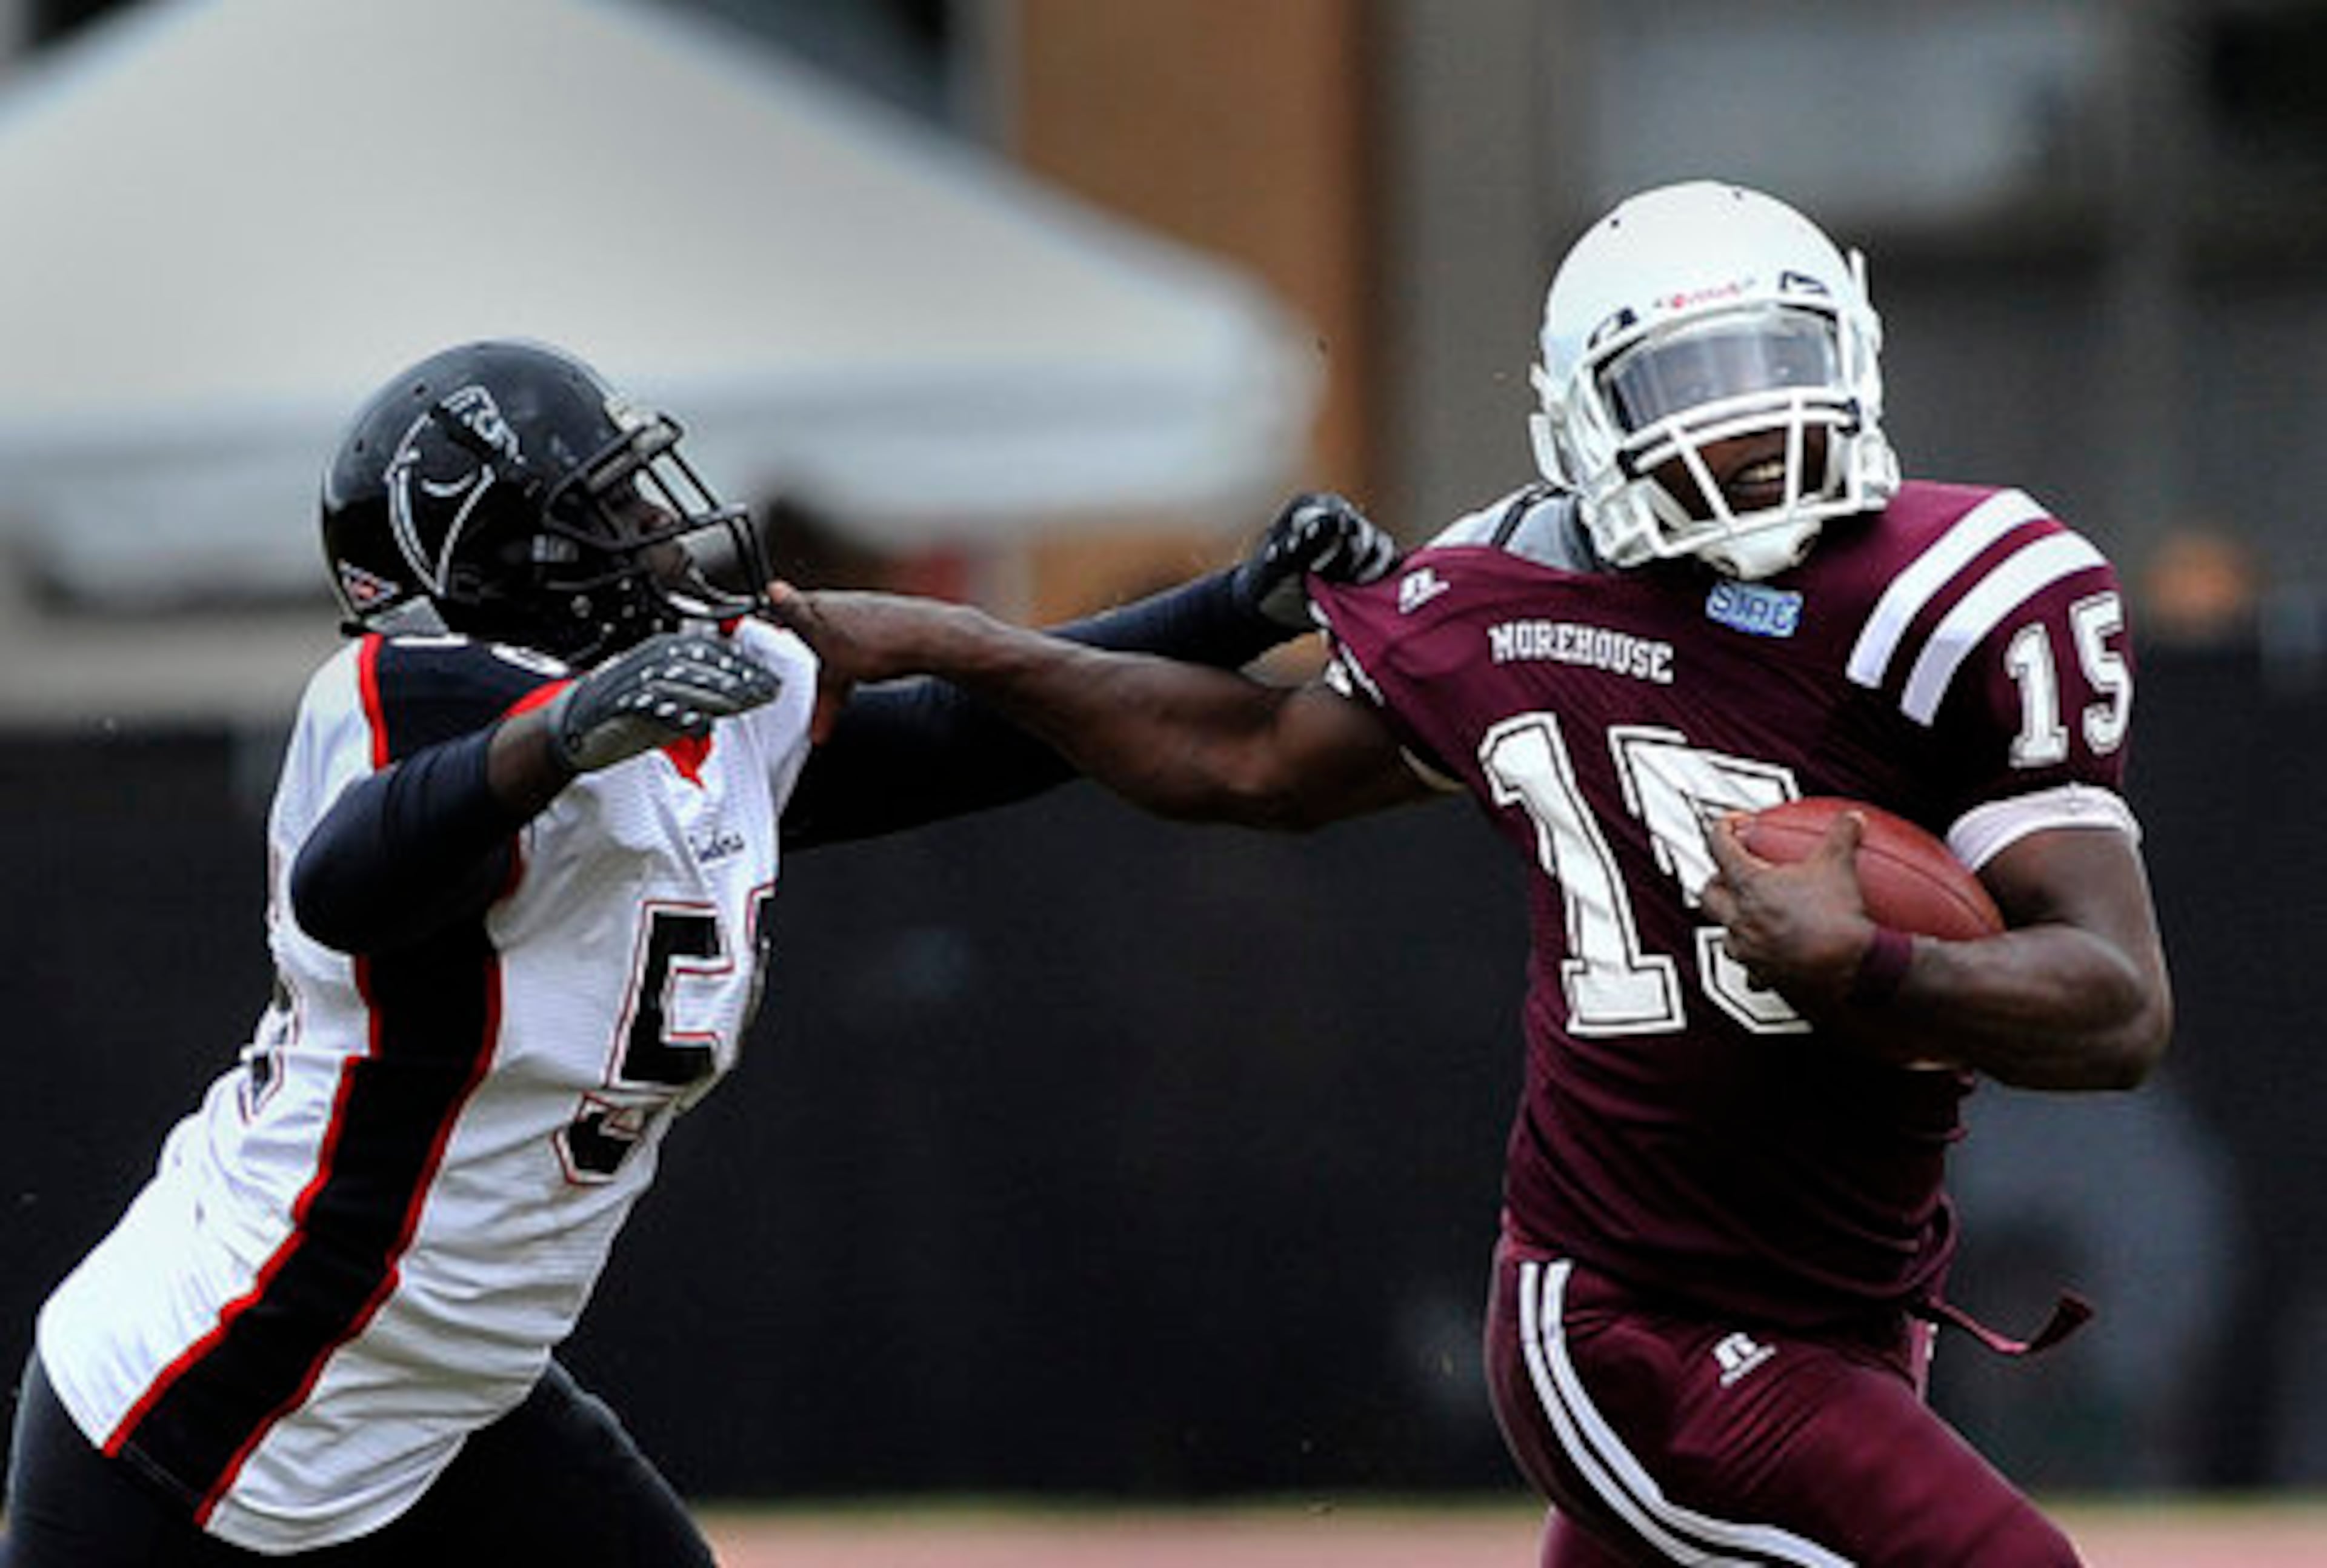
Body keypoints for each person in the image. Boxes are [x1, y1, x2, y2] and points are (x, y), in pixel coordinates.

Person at [770, 181, 2175, 1566]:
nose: (1742, 424)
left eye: (1771, 363)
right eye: (1679, 382)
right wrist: (975, 648)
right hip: (1637, 1316)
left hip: (1850, 1305)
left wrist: (1870, 965)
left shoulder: (1969, 593)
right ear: (1579, 417)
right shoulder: (1501, 592)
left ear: (1853, 355)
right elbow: (1251, 763)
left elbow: (2117, 1008)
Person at [0, 337, 1394, 1566]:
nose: (658, 535)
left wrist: (1240, 604)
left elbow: (976, 735)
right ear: (486, 550)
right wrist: (562, 735)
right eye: (605, 508)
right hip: (201, 1408)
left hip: (443, 1400)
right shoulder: (413, 692)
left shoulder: (690, 703)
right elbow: (353, 882)